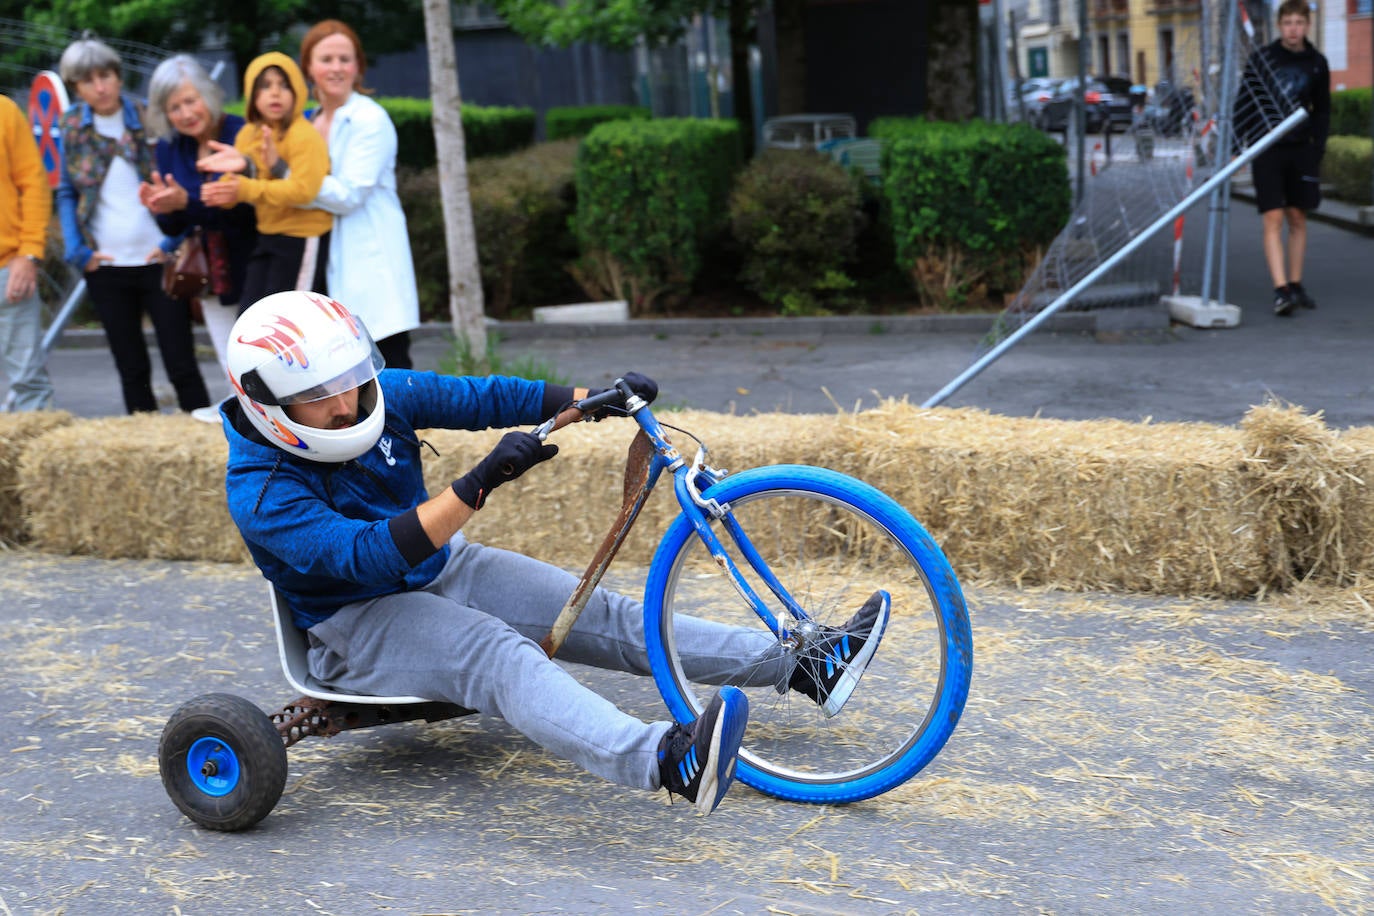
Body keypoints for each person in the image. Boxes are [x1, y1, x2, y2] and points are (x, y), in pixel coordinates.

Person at [221, 290, 891, 814]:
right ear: (267, 402)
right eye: (316, 396)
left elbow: (477, 397)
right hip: (357, 622)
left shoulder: (374, 396)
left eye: (349, 380)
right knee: (499, 657)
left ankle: (808, 664)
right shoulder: (261, 489)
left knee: (608, 616)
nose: (343, 403)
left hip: (441, 567)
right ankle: (666, 763)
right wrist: (476, 485)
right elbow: (367, 556)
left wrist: (591, 401)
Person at [55, 35, 211, 415]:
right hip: (105, 265)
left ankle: (208, 442)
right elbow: (67, 190)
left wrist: (175, 236)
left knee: (181, 362)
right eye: (87, 80)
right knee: (131, 368)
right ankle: (148, 442)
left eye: (106, 74)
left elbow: (181, 181)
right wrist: (79, 252)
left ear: (118, 75)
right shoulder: (73, 126)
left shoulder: (148, 117)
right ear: (76, 86)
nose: (100, 86)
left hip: (160, 260)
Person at [140, 54, 259, 417]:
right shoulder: (169, 147)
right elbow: (176, 227)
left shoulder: (241, 133)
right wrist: (164, 209)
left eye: (190, 101)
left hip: (254, 260)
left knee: (262, 353)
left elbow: (240, 207)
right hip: (207, 270)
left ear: (208, 94)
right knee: (230, 357)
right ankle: (244, 427)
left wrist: (184, 202)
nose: (185, 113)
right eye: (174, 107)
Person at [300, 19, 420, 369]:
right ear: (309, 66)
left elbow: (349, 194)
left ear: (358, 67)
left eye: (344, 59)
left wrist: (288, 178)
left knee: (388, 361)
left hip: (369, 257)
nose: (336, 68)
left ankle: (402, 424)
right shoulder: (308, 123)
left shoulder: (370, 119)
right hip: (321, 255)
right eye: (326, 59)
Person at [200, 52, 331, 313]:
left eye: (284, 85)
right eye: (265, 85)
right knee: (251, 315)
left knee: (289, 321)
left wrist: (245, 188)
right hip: (268, 234)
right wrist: (225, 191)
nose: (275, 93)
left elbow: (304, 191)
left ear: (297, 90)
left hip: (302, 237)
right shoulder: (249, 133)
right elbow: (242, 181)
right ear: (252, 92)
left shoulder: (304, 135)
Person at [1238, 0, 1330, 317]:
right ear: (1279, 26)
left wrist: (1317, 148)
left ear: (1307, 25)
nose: (1293, 29)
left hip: (1301, 149)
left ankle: (1295, 283)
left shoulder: (1317, 63)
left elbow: (1323, 110)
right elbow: (1245, 102)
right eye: (1287, 22)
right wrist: (1238, 143)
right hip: (1267, 149)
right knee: (1273, 217)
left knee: (1297, 218)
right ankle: (1281, 291)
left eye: (1298, 22)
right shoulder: (1263, 59)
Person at [0, 94, 54, 412]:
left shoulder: (5, 111)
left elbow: (34, 183)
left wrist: (30, 252)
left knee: (29, 384)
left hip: (7, 268)